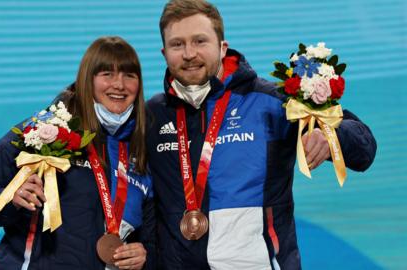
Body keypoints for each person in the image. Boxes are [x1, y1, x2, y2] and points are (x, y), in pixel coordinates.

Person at [145, 1, 377, 269]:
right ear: (164, 53)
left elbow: (365, 151)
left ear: (222, 47)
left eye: (200, 41)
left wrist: (331, 134)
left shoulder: (270, 102)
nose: (189, 53)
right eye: (177, 44)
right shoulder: (152, 115)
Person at [0, 36, 155, 270]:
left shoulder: (141, 149)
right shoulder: (44, 130)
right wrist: (10, 199)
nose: (119, 85)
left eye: (129, 75)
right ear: (87, 80)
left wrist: (143, 255)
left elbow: (149, 237)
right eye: (107, 74)